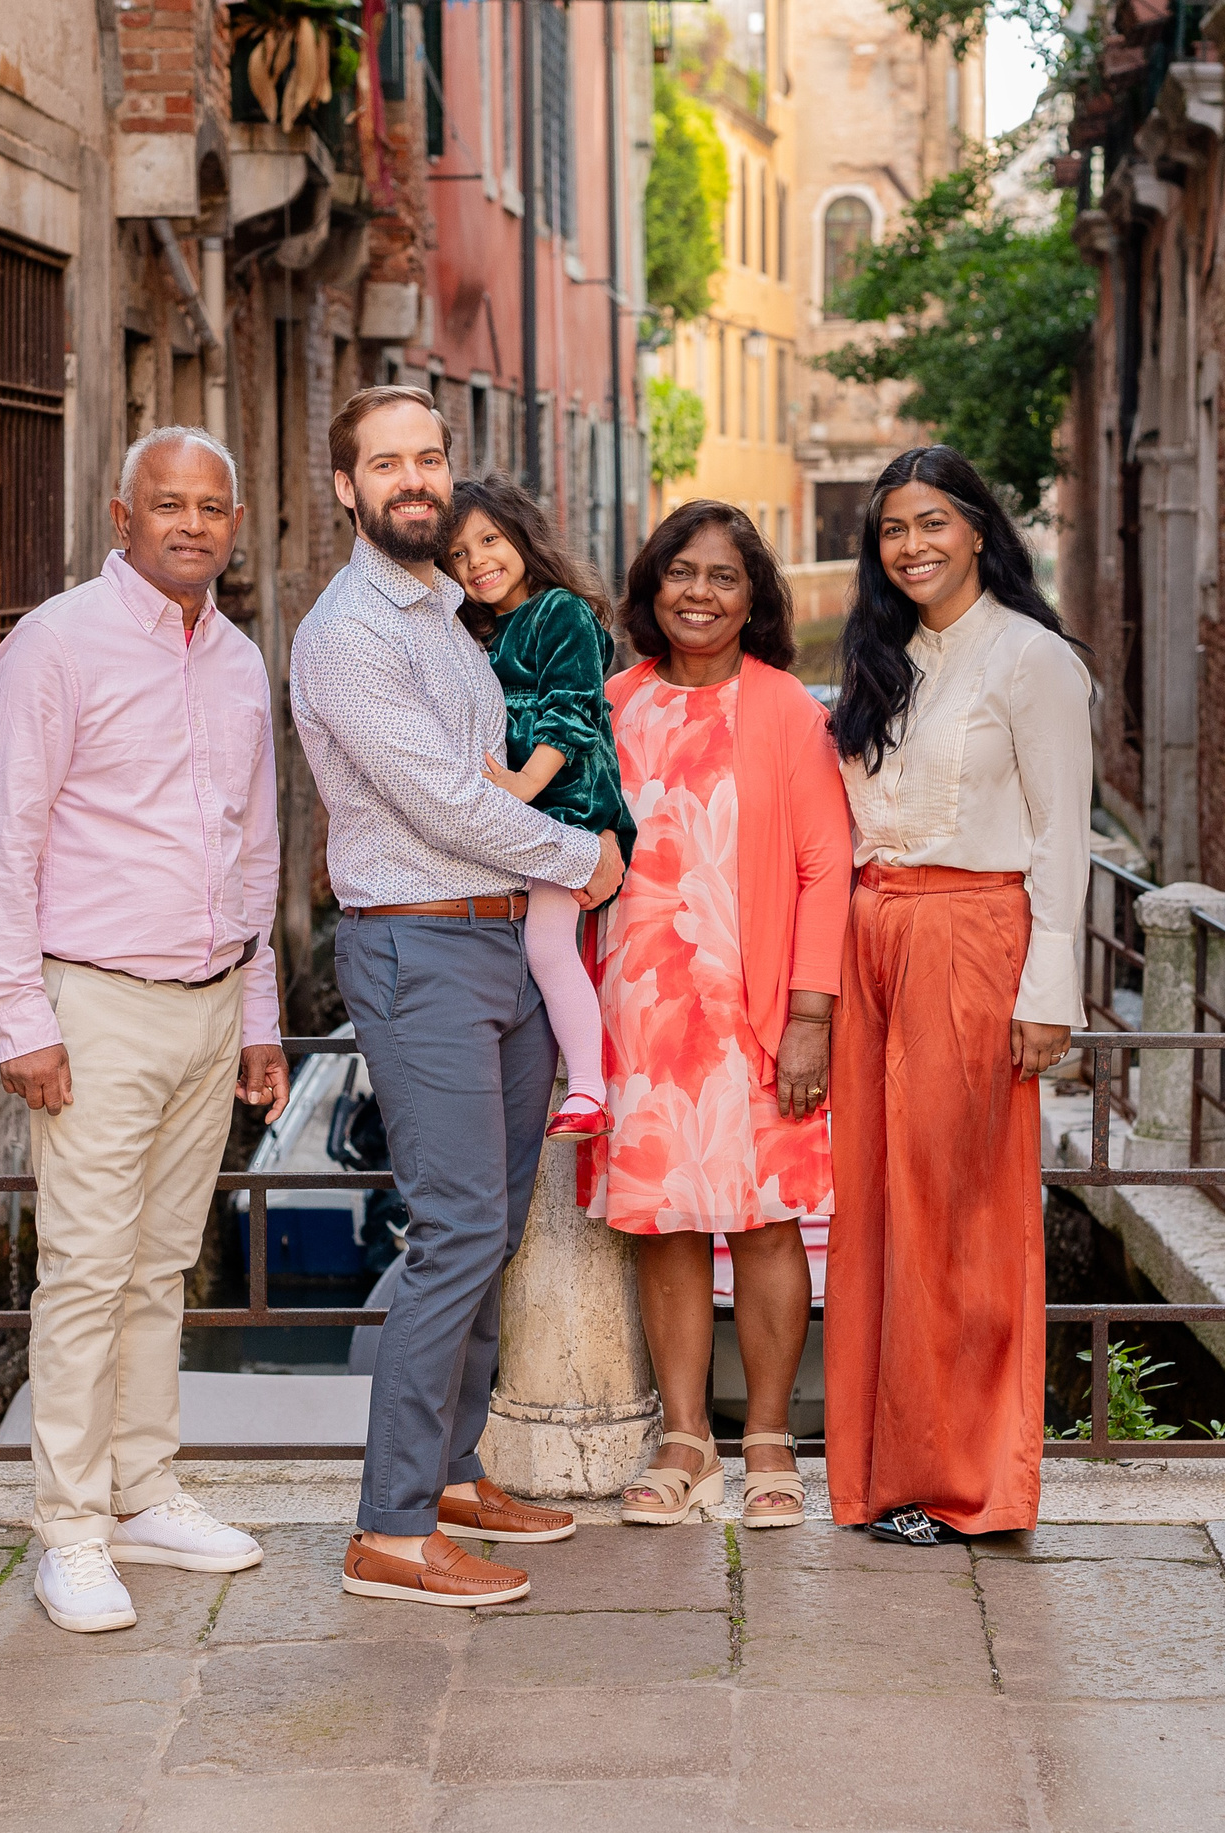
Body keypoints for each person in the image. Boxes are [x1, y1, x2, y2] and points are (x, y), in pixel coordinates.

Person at [291, 385, 627, 1608]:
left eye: (431, 457)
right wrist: (581, 860)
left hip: (501, 948)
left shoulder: (446, 612)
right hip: (417, 949)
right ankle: (387, 1529)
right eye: (388, 464)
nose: (416, 480)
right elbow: (443, 800)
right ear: (347, 487)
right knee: (454, 1234)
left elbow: (518, 759)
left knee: (490, 1223)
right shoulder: (347, 634)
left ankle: (449, 1473)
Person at [0, 426, 289, 1634]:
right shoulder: (56, 644)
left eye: (213, 506)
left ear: (233, 523)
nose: (192, 524)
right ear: (122, 516)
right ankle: (69, 1526)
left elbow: (252, 848)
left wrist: (259, 1017)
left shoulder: (241, 661)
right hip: (92, 1005)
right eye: (169, 504)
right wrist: (21, 1019)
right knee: (87, 1273)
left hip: (210, 1005)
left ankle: (145, 1490)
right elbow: (5, 838)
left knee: (161, 1269)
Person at [822, 445, 1094, 1546]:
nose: (912, 546)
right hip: (869, 937)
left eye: (932, 523)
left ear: (980, 528)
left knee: (955, 1212)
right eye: (893, 529)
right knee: (872, 1206)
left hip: (972, 939)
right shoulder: (881, 663)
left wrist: (1050, 993)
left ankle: (962, 1481)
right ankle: (877, 1474)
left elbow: (1061, 836)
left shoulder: (1031, 661)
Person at [596, 500, 852, 1531]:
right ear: (652, 587)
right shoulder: (611, 702)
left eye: (722, 577)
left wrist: (810, 1015)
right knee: (662, 1222)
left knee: (764, 1222)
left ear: (754, 599)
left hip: (754, 1009)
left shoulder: (787, 709)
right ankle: (686, 1438)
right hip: (640, 1004)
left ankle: (771, 1438)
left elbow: (826, 868)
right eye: (680, 574)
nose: (698, 594)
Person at [445, 473, 637, 1141]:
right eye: (459, 555)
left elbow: (572, 712)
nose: (477, 563)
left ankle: (587, 1090)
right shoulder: (486, 632)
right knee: (541, 946)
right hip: (527, 816)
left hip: (569, 807)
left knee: (548, 944)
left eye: (490, 540)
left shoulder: (560, 612)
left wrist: (525, 785)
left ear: (523, 537)